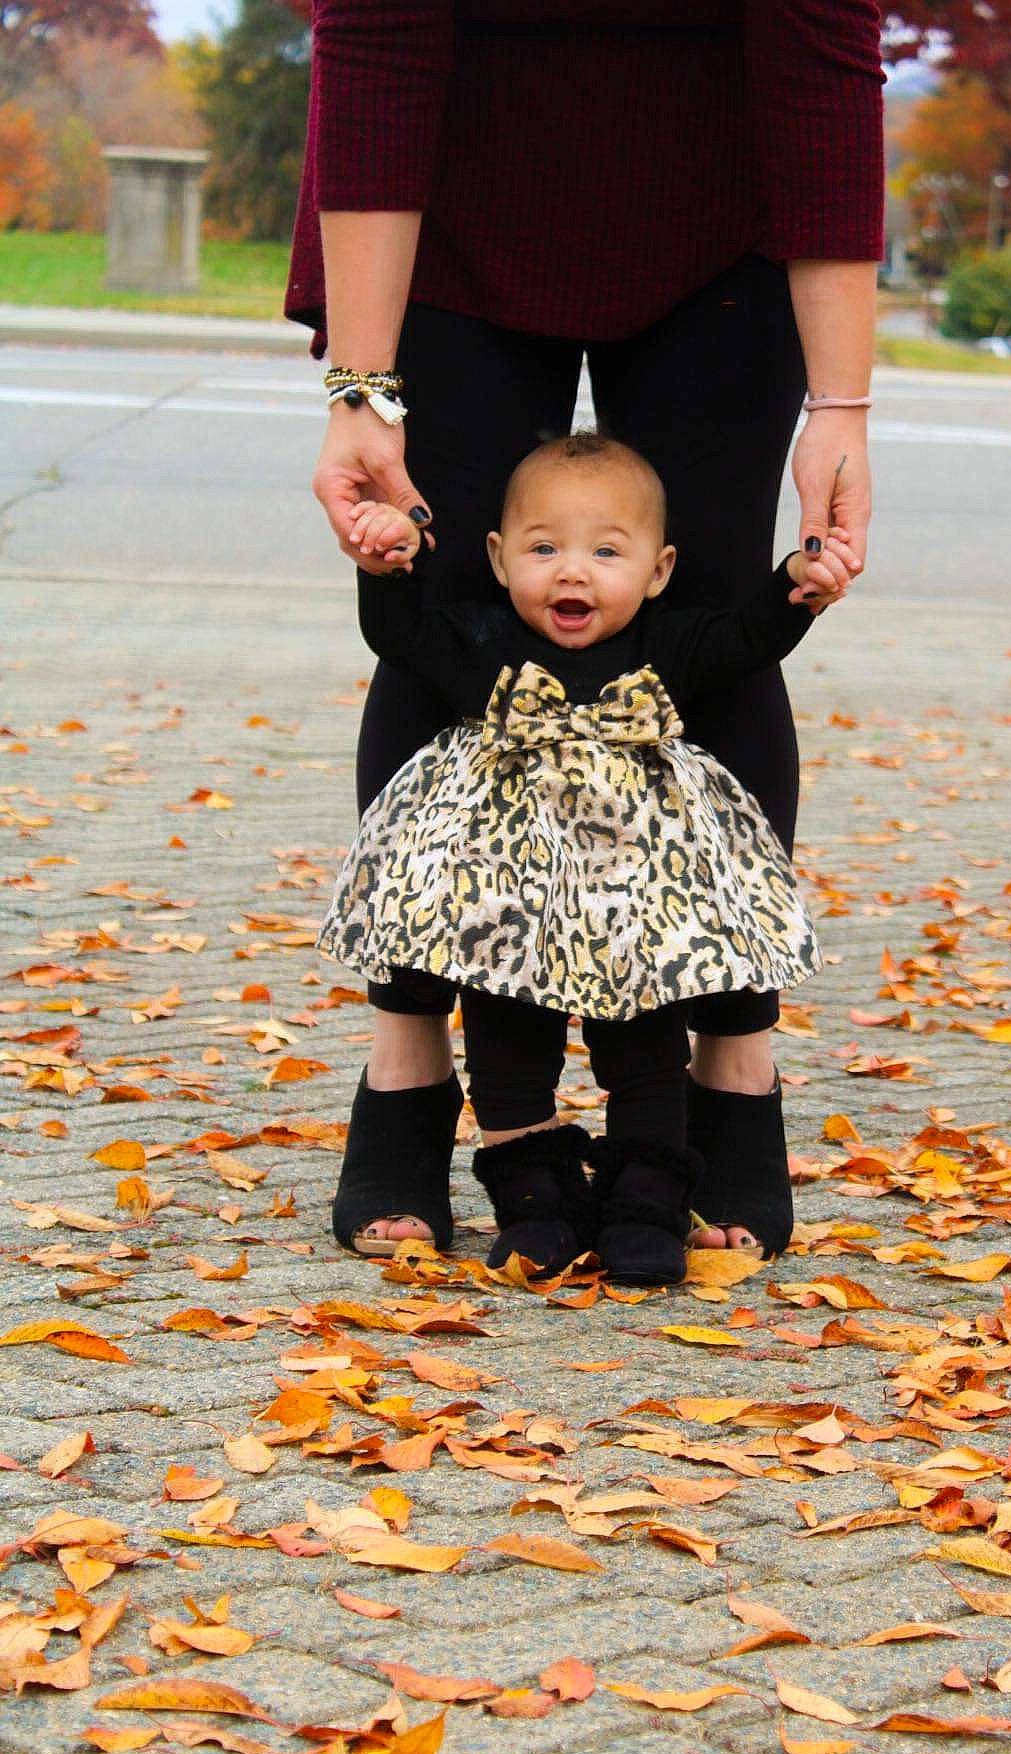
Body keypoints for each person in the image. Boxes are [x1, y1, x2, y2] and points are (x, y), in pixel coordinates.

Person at [289, 1, 885, 1261]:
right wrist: (359, 384)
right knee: (439, 610)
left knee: (712, 620)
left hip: (722, 208)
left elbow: (821, 51)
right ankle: (407, 1063)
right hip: (438, 201)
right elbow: (379, 39)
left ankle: (730, 1067)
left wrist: (841, 401)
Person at [316, 433, 857, 1285]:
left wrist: (798, 588)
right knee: (506, 1044)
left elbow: (749, 643)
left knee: (645, 1045)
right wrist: (388, 565)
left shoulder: (668, 650)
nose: (573, 572)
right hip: (506, 918)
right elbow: (398, 639)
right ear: (496, 559)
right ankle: (535, 1203)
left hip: (635, 911)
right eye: (543, 549)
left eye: (606, 552)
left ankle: (646, 1199)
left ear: (659, 568)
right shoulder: (479, 643)